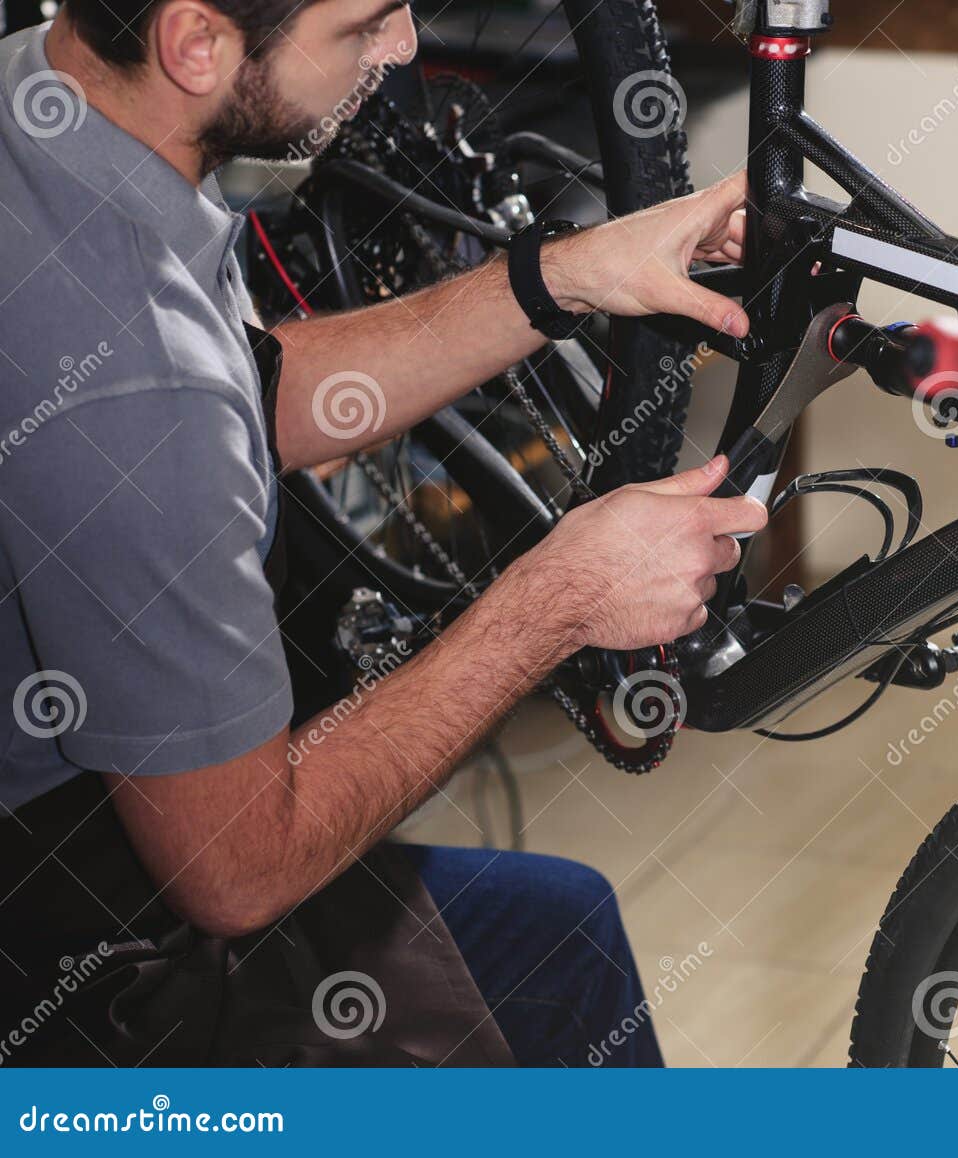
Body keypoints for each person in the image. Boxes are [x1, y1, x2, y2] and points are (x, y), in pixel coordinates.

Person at [0, 0, 760, 1066]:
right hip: (71, 957)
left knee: (565, 937)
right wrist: (558, 600)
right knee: (531, 997)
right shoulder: (132, 382)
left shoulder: (47, 95)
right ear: (195, 44)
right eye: (363, 25)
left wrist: (565, 274)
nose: (401, 46)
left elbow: (247, 392)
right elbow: (238, 871)